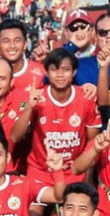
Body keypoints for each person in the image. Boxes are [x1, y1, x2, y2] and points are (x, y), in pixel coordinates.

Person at [10, 49, 100, 187]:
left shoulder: (86, 98)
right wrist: (29, 107)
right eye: (54, 69)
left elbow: (92, 143)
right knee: (33, 209)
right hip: (40, 172)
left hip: (74, 172)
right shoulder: (36, 98)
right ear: (46, 72)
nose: (60, 75)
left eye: (65, 69)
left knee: (74, 207)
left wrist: (87, 178)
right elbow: (15, 137)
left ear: (74, 72)